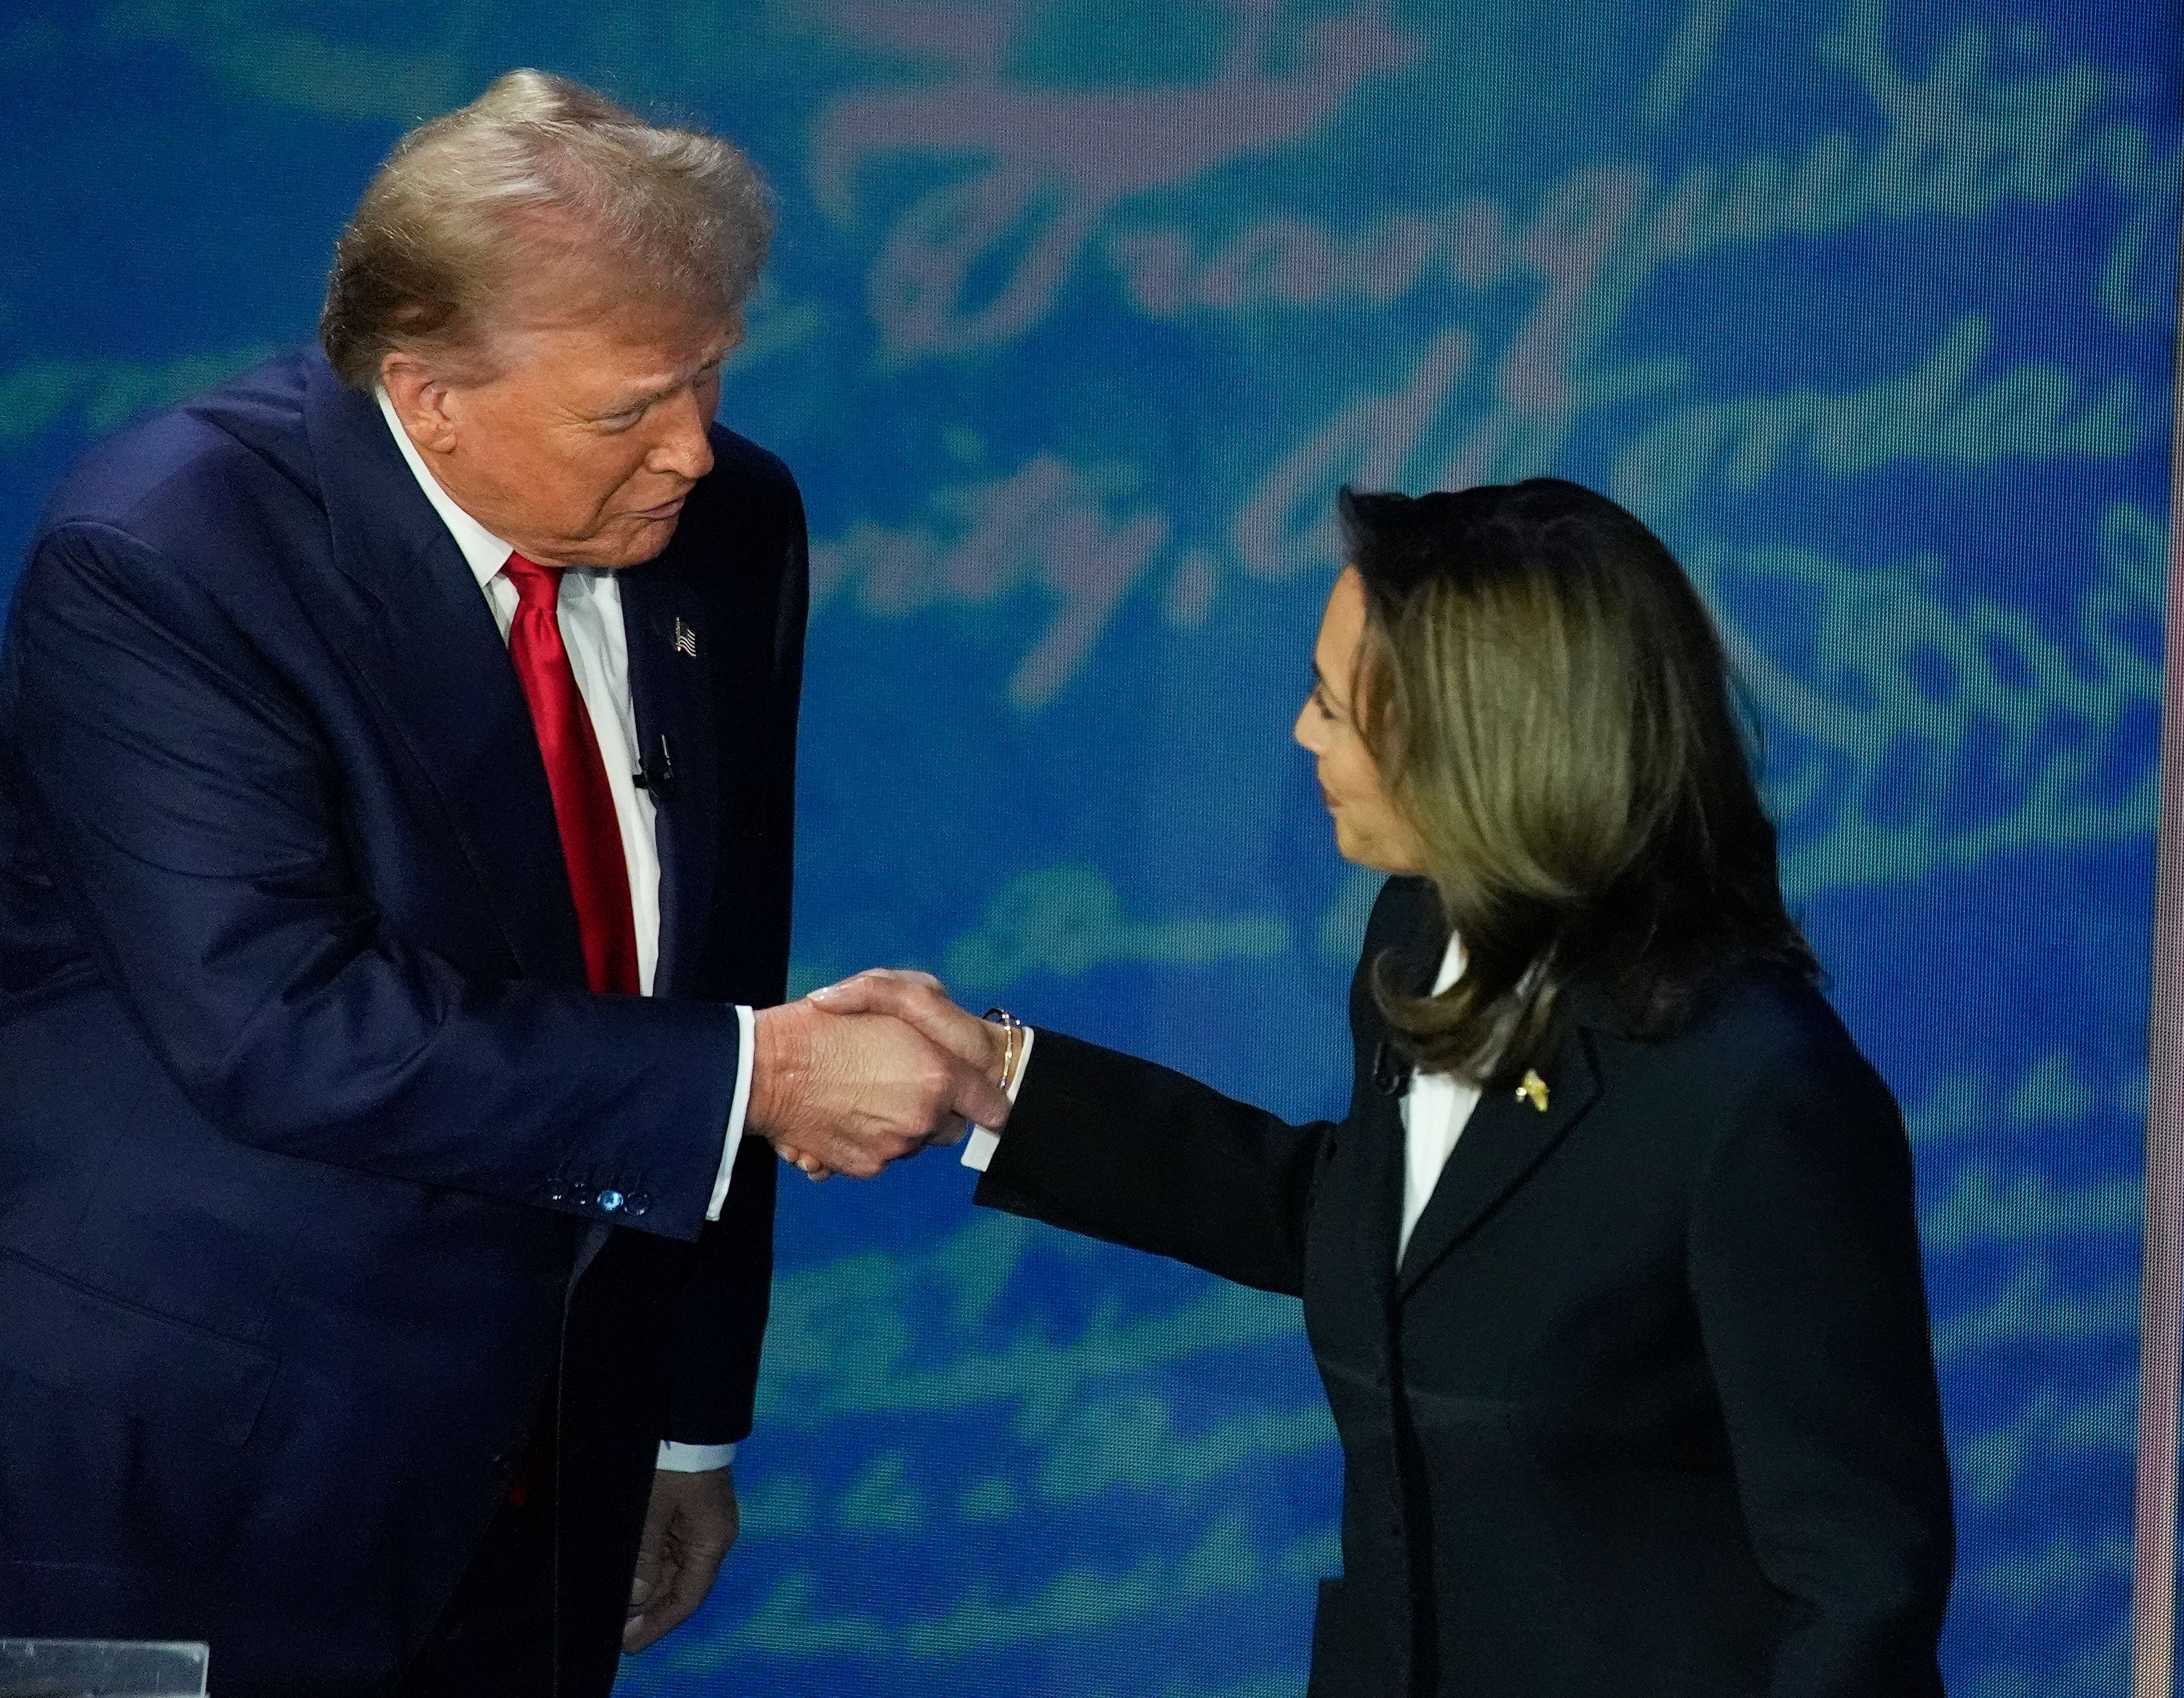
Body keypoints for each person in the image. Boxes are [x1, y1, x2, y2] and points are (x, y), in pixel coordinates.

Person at [0, 70, 1005, 1698]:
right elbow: (281, 1020)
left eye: (707, 375)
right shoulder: (169, 553)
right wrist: (769, 1077)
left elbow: (716, 953)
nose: (694, 447)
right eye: (630, 408)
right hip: (151, 1457)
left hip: (538, 1463)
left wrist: (686, 1414)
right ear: (424, 396)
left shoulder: (730, 523)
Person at [814, 480, 1957, 1697]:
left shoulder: (1757, 1096)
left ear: (1485, 748)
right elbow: (1382, 1235)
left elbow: (1860, 1590)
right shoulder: (1419, 931)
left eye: (1333, 706)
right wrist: (1002, 1085)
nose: (1305, 736)